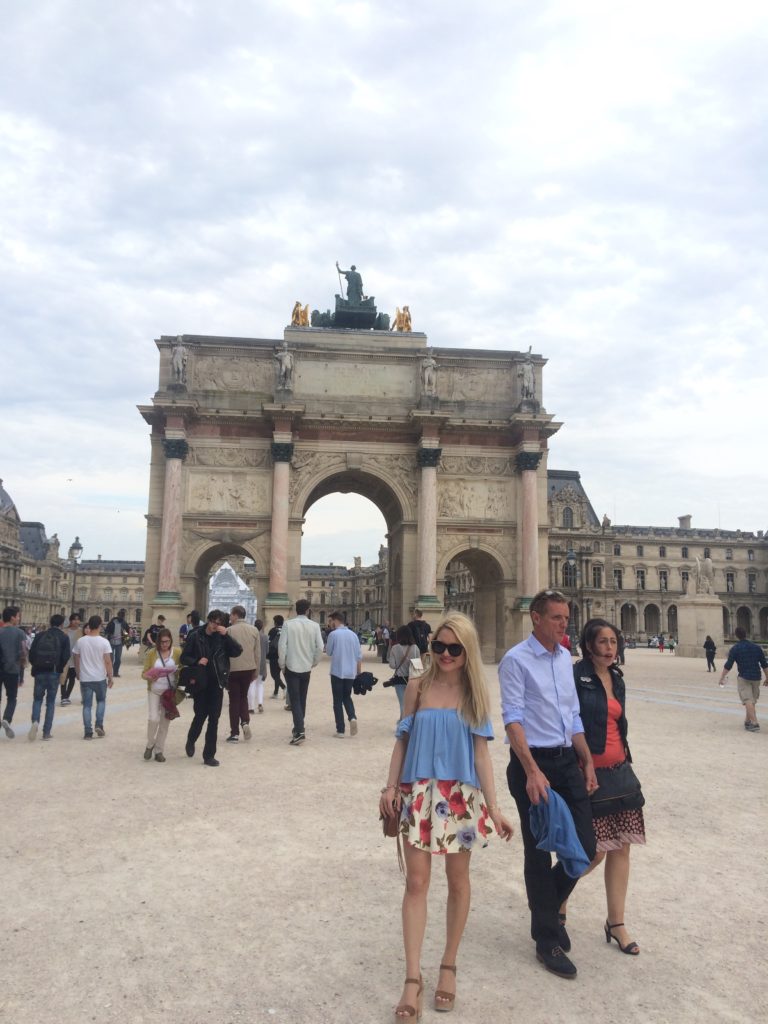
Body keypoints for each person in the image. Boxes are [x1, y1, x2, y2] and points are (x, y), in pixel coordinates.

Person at [379, 612, 513, 1019]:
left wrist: (495, 806)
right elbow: (402, 742)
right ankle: (412, 978)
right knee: (416, 882)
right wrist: (389, 787)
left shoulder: (474, 693)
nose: (446, 654)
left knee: (458, 882)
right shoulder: (417, 687)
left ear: (467, 650)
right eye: (439, 646)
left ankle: (449, 965)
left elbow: (481, 754)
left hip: (459, 797)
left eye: (455, 648)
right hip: (417, 792)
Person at [498, 588, 597, 979]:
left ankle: (545, 914)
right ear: (535, 618)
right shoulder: (515, 660)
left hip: (566, 761)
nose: (564, 623)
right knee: (539, 850)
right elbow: (513, 718)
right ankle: (547, 939)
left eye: (566, 617)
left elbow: (572, 716)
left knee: (586, 846)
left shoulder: (564, 661)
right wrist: (531, 770)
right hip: (532, 764)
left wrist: (586, 760)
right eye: (557, 617)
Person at [560, 618, 645, 957]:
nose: (610, 648)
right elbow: (568, 721)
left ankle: (616, 921)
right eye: (603, 642)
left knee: (622, 847)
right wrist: (580, 765)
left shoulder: (617, 679)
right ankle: (559, 897)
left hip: (619, 770)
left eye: (614, 642)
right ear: (589, 645)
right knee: (591, 849)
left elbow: (617, 724)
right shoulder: (575, 677)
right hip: (589, 772)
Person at [181, 609, 243, 766]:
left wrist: (226, 635)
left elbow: (237, 651)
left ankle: (209, 755)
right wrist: (196, 661)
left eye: (219, 623)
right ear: (208, 620)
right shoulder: (195, 635)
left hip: (217, 683)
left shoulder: (222, 638)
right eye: (214, 622)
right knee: (200, 716)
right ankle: (191, 739)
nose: (216, 626)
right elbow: (184, 657)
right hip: (200, 683)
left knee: (214, 719)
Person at [278, 599, 323, 746]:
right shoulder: (315, 626)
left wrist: (282, 664)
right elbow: (320, 647)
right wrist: (314, 662)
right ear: (308, 610)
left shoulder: (288, 624)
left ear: (295, 610)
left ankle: (300, 730)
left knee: (295, 700)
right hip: (306, 667)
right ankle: (298, 728)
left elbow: (282, 647)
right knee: (302, 699)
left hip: (291, 667)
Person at [28, 614, 71, 741]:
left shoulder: (41, 635)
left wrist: (36, 665)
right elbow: (66, 655)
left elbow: (32, 653)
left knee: (37, 700)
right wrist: (59, 668)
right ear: (62, 624)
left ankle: (35, 721)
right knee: (50, 702)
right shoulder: (63, 637)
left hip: (39, 671)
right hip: (54, 672)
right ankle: (46, 732)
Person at [141, 627, 181, 762]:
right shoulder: (152, 653)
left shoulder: (177, 652)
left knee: (165, 723)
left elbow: (182, 668)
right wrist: (151, 676)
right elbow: (144, 673)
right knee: (153, 719)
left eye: (167, 642)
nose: (165, 645)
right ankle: (150, 744)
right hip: (154, 689)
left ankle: (159, 750)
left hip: (169, 692)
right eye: (163, 642)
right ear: (158, 642)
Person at [718, 626, 768, 732]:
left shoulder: (735, 648)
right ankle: (747, 721)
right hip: (756, 676)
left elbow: (728, 665)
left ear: (736, 636)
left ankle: (755, 723)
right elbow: (764, 664)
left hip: (744, 676)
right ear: (746, 634)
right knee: (752, 700)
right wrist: (767, 677)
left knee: (747, 700)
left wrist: (722, 677)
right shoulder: (756, 647)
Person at [73, 615, 114, 739]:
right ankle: (99, 725)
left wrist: (78, 672)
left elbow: (76, 658)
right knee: (101, 701)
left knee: (87, 705)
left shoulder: (81, 641)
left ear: (89, 625)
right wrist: (110, 677)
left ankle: (87, 732)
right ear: (100, 625)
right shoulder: (104, 642)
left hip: (85, 677)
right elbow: (108, 661)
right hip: (99, 677)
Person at [226, 605, 262, 742]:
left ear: (235, 615)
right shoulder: (254, 630)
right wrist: (256, 671)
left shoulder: (229, 631)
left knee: (234, 700)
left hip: (233, 669)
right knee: (243, 697)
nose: (230, 617)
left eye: (231, 615)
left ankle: (234, 733)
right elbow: (257, 654)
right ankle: (245, 722)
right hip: (248, 668)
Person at [325, 611, 361, 737]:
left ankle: (340, 730)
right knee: (347, 696)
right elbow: (358, 656)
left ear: (335, 620)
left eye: (331, 621)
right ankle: (352, 717)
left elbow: (328, 652)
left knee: (337, 701)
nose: (330, 624)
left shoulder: (333, 635)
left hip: (337, 671)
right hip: (350, 672)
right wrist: (358, 673)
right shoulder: (354, 635)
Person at [0, 606, 26, 738]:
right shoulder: (20, 633)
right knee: (11, 698)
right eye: (18, 616)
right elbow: (23, 653)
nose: (19, 618)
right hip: (12, 669)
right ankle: (7, 718)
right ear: (12, 617)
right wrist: (22, 673)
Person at [388, 625, 421, 719]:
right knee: (411, 703)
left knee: (402, 703)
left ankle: (402, 723)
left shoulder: (395, 648)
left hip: (399, 679)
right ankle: (406, 723)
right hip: (412, 679)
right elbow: (418, 666)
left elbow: (392, 665)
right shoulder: (415, 648)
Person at [247, 619, 269, 715]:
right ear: (262, 627)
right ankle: (260, 703)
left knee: (251, 684)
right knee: (260, 684)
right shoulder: (265, 637)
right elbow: (267, 651)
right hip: (262, 663)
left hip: (252, 662)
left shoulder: (251, 636)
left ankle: (251, 707)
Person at [59, 613, 82, 705]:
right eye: (74, 619)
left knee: (72, 679)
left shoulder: (81, 631)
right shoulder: (64, 631)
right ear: (70, 621)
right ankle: (63, 697)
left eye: (78, 619)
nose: (76, 621)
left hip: (75, 659)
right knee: (63, 678)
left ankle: (67, 696)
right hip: (65, 659)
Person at [104, 608, 129, 677]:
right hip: (111, 642)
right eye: (121, 616)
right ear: (118, 616)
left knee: (118, 659)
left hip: (119, 643)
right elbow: (107, 631)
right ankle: (109, 672)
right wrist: (108, 636)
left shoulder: (124, 623)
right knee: (110, 658)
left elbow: (127, 631)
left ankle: (115, 672)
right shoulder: (112, 622)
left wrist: (125, 637)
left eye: (123, 616)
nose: (122, 617)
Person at [267, 615, 286, 699]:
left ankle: (284, 687)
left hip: (274, 655)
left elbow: (269, 643)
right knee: (278, 674)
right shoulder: (286, 630)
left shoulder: (272, 630)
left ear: (275, 622)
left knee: (274, 674)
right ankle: (275, 693)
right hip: (284, 655)